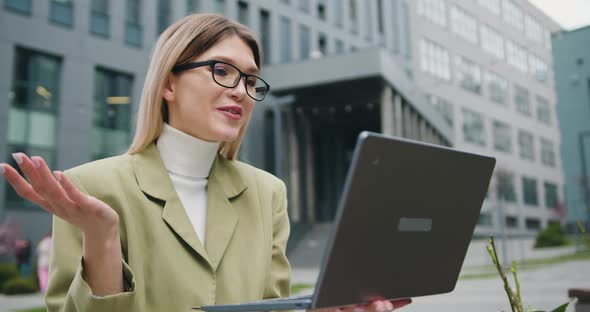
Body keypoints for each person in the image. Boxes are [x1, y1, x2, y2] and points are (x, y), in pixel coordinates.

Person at [0, 14, 411, 312]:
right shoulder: (87, 187)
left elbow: (274, 308)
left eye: (250, 80)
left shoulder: (268, 192)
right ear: (168, 84)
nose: (241, 91)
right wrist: (103, 238)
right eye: (222, 71)